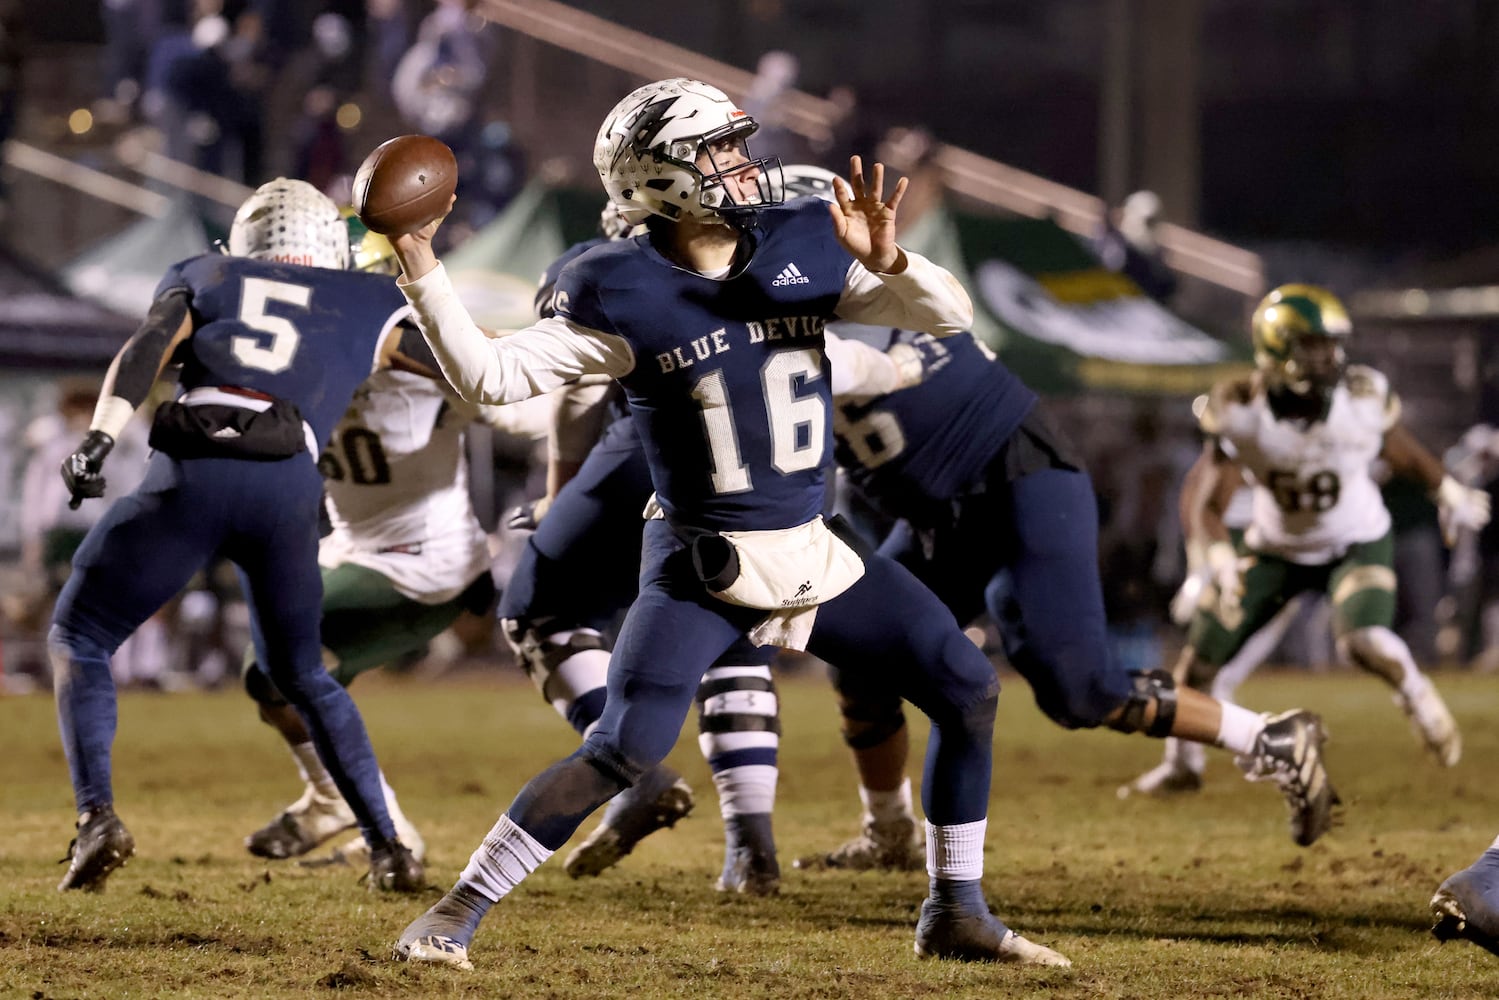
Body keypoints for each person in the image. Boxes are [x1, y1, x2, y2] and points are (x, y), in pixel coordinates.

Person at [387, 77, 1069, 969]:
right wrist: (420, 266)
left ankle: (956, 911)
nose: (744, 166)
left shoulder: (798, 237)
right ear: (660, 179)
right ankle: (452, 913)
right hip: (702, 555)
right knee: (624, 747)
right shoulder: (615, 286)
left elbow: (947, 316)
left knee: (964, 685)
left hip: (811, 543)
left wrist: (891, 262)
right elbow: (489, 377)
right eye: (719, 151)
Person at [796, 316, 1340, 870]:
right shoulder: (787, 314)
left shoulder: (851, 298)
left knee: (1083, 692)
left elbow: (882, 318)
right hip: (940, 514)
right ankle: (889, 832)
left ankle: (1270, 738)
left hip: (1019, 479)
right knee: (861, 655)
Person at [49, 177, 425, 894]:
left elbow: (148, 345)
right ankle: (389, 846)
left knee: (82, 637)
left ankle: (99, 817)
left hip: (192, 471)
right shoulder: (370, 300)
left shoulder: (206, 271)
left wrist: (99, 439)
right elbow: (467, 371)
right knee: (304, 675)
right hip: (286, 481)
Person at [1121, 284, 1490, 800]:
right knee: (1198, 664)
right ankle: (1183, 766)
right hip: (1277, 548)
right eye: (1314, 344)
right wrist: (1218, 556)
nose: (1330, 355)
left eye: (1331, 343)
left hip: (1354, 540)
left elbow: (1401, 449)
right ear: (1278, 348)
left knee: (1360, 639)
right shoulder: (1240, 408)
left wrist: (1445, 487)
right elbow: (1207, 499)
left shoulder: (1360, 398)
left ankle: (1417, 695)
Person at [239, 214, 498, 867]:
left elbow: (510, 384)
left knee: (278, 660)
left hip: (425, 563)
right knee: (270, 676)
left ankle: (371, 821)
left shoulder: (425, 358)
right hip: (352, 550)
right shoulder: (300, 361)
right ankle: (341, 804)